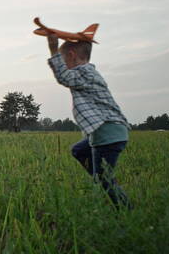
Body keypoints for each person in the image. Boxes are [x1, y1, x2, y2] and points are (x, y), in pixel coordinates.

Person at [45, 33, 132, 210]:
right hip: (108, 131)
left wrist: (53, 48)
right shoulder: (89, 72)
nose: (62, 64)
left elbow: (63, 77)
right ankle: (99, 177)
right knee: (78, 150)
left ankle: (127, 210)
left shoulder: (83, 72)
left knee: (105, 181)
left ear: (71, 56)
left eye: (62, 59)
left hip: (107, 134)